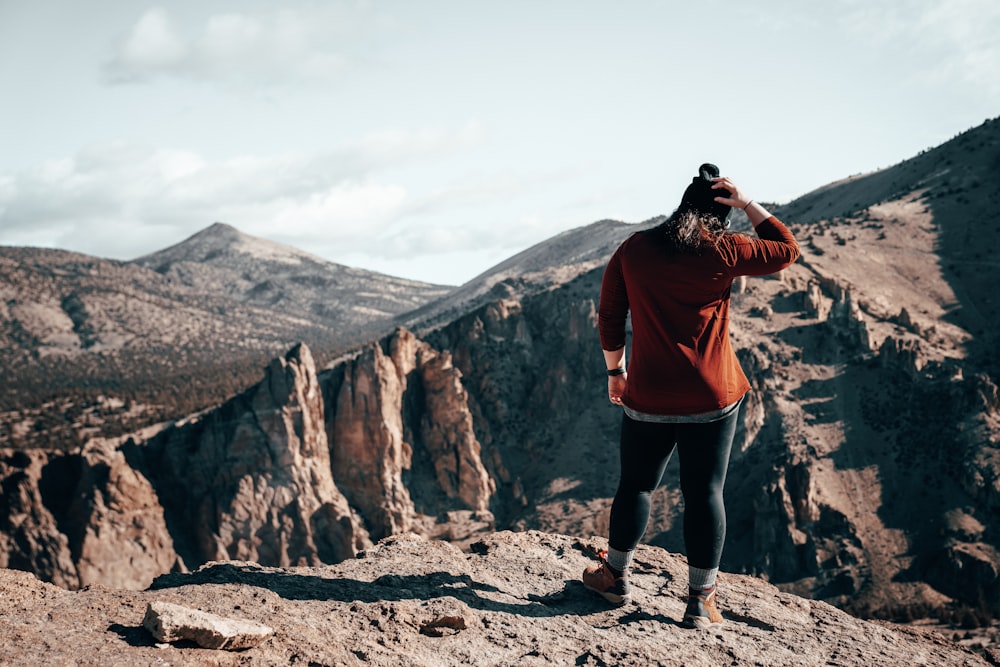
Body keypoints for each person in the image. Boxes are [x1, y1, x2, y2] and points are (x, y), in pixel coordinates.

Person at [582, 163, 800, 628]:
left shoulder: (635, 248)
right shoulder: (725, 247)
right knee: (704, 492)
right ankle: (700, 601)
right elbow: (786, 249)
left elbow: (609, 316)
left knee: (637, 485)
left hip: (649, 393)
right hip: (712, 395)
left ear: (679, 206)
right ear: (719, 216)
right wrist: (745, 203)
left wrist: (615, 373)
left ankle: (615, 576)